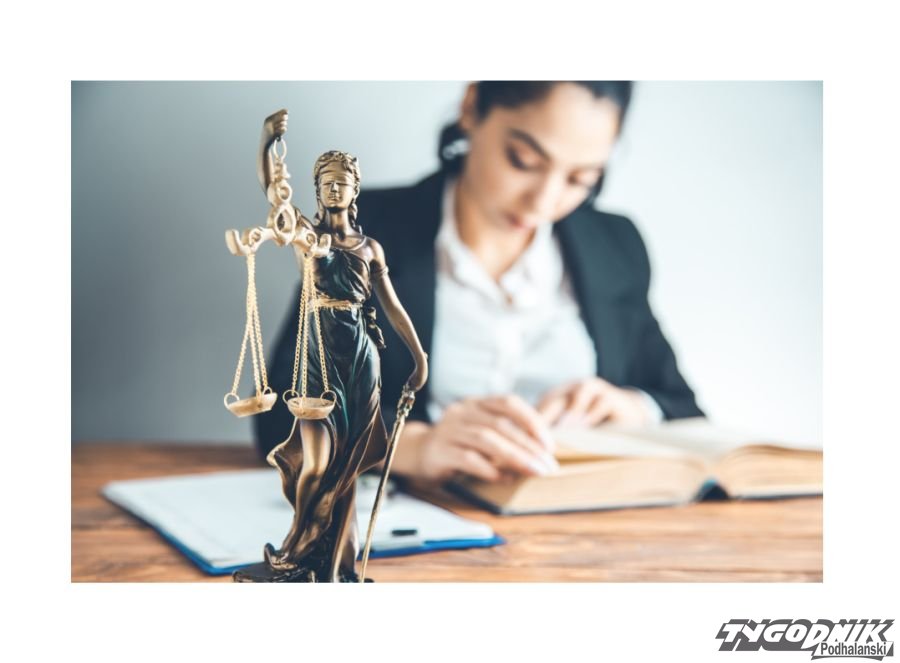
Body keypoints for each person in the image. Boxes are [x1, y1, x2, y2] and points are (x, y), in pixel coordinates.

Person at [255, 81, 702, 488]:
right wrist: (414, 445)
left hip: (580, 524)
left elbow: (682, 406)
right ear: (471, 107)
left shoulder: (614, 245)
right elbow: (282, 417)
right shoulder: (363, 232)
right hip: (424, 520)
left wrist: (631, 407)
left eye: (581, 179)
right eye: (523, 160)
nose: (544, 202)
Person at [235, 143, 427, 582]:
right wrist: (268, 142)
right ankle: (297, 545)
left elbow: (393, 308)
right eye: (326, 184)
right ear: (317, 190)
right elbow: (274, 192)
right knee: (318, 466)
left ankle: (334, 566)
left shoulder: (370, 248)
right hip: (317, 361)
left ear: (354, 190)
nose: (334, 190)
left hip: (361, 361)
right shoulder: (308, 236)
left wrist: (419, 357)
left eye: (342, 183)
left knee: (347, 471)